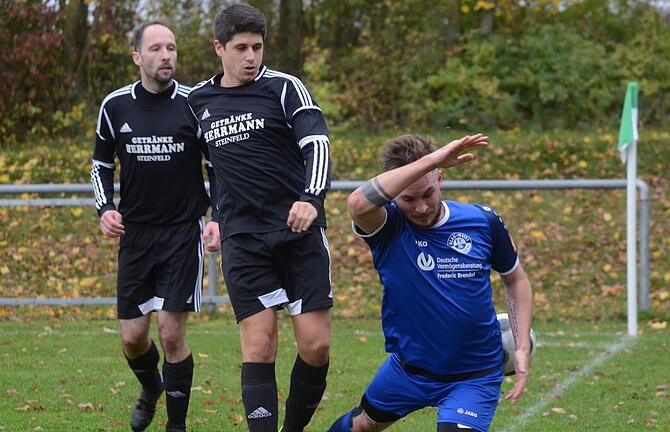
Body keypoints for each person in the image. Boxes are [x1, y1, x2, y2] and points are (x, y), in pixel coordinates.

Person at [186, 4, 332, 432]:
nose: (251, 57)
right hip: (242, 238)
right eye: (241, 48)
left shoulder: (285, 88)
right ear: (219, 48)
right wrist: (209, 217)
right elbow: (204, 168)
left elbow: (317, 144)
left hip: (297, 231)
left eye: (257, 47)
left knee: (316, 345)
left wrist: (311, 198)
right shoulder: (198, 102)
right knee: (259, 345)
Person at [328, 134, 534, 432]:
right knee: (361, 425)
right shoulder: (387, 225)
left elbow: (515, 280)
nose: (421, 208)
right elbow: (358, 203)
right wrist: (432, 159)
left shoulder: (483, 221)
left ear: (440, 178)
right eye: (408, 198)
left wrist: (521, 345)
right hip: (409, 370)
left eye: (427, 194)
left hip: (475, 375)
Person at [90, 22, 219, 432]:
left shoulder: (194, 104)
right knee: (132, 338)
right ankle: (150, 389)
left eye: (172, 48)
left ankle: (175, 427)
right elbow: (100, 165)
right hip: (136, 235)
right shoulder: (115, 106)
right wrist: (104, 208)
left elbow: (217, 168)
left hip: (182, 233)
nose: (167, 56)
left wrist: (217, 216)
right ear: (137, 57)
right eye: (157, 49)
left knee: (171, 334)